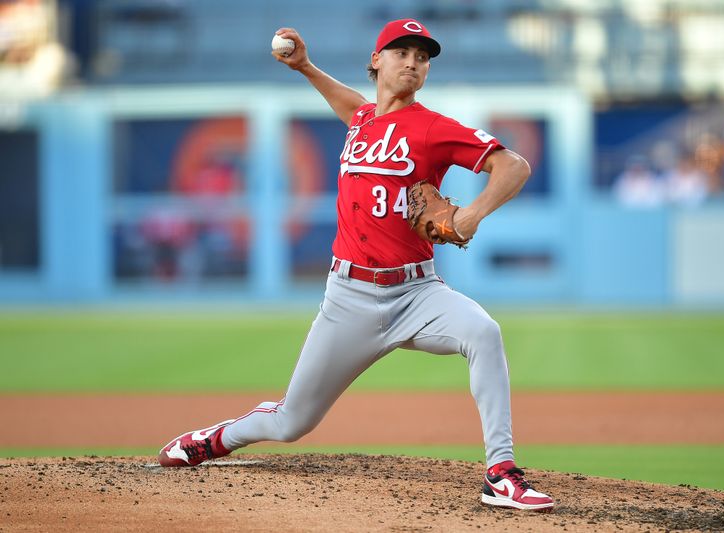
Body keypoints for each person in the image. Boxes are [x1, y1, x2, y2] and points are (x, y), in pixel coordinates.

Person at [157, 18, 554, 512]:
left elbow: (513, 164)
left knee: (484, 333)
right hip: (349, 299)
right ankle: (216, 439)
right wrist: (305, 68)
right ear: (376, 60)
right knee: (291, 423)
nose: (413, 62)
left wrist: (472, 214)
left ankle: (501, 472)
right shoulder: (365, 121)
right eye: (401, 51)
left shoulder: (433, 128)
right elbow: (356, 107)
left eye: (423, 56)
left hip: (418, 293)